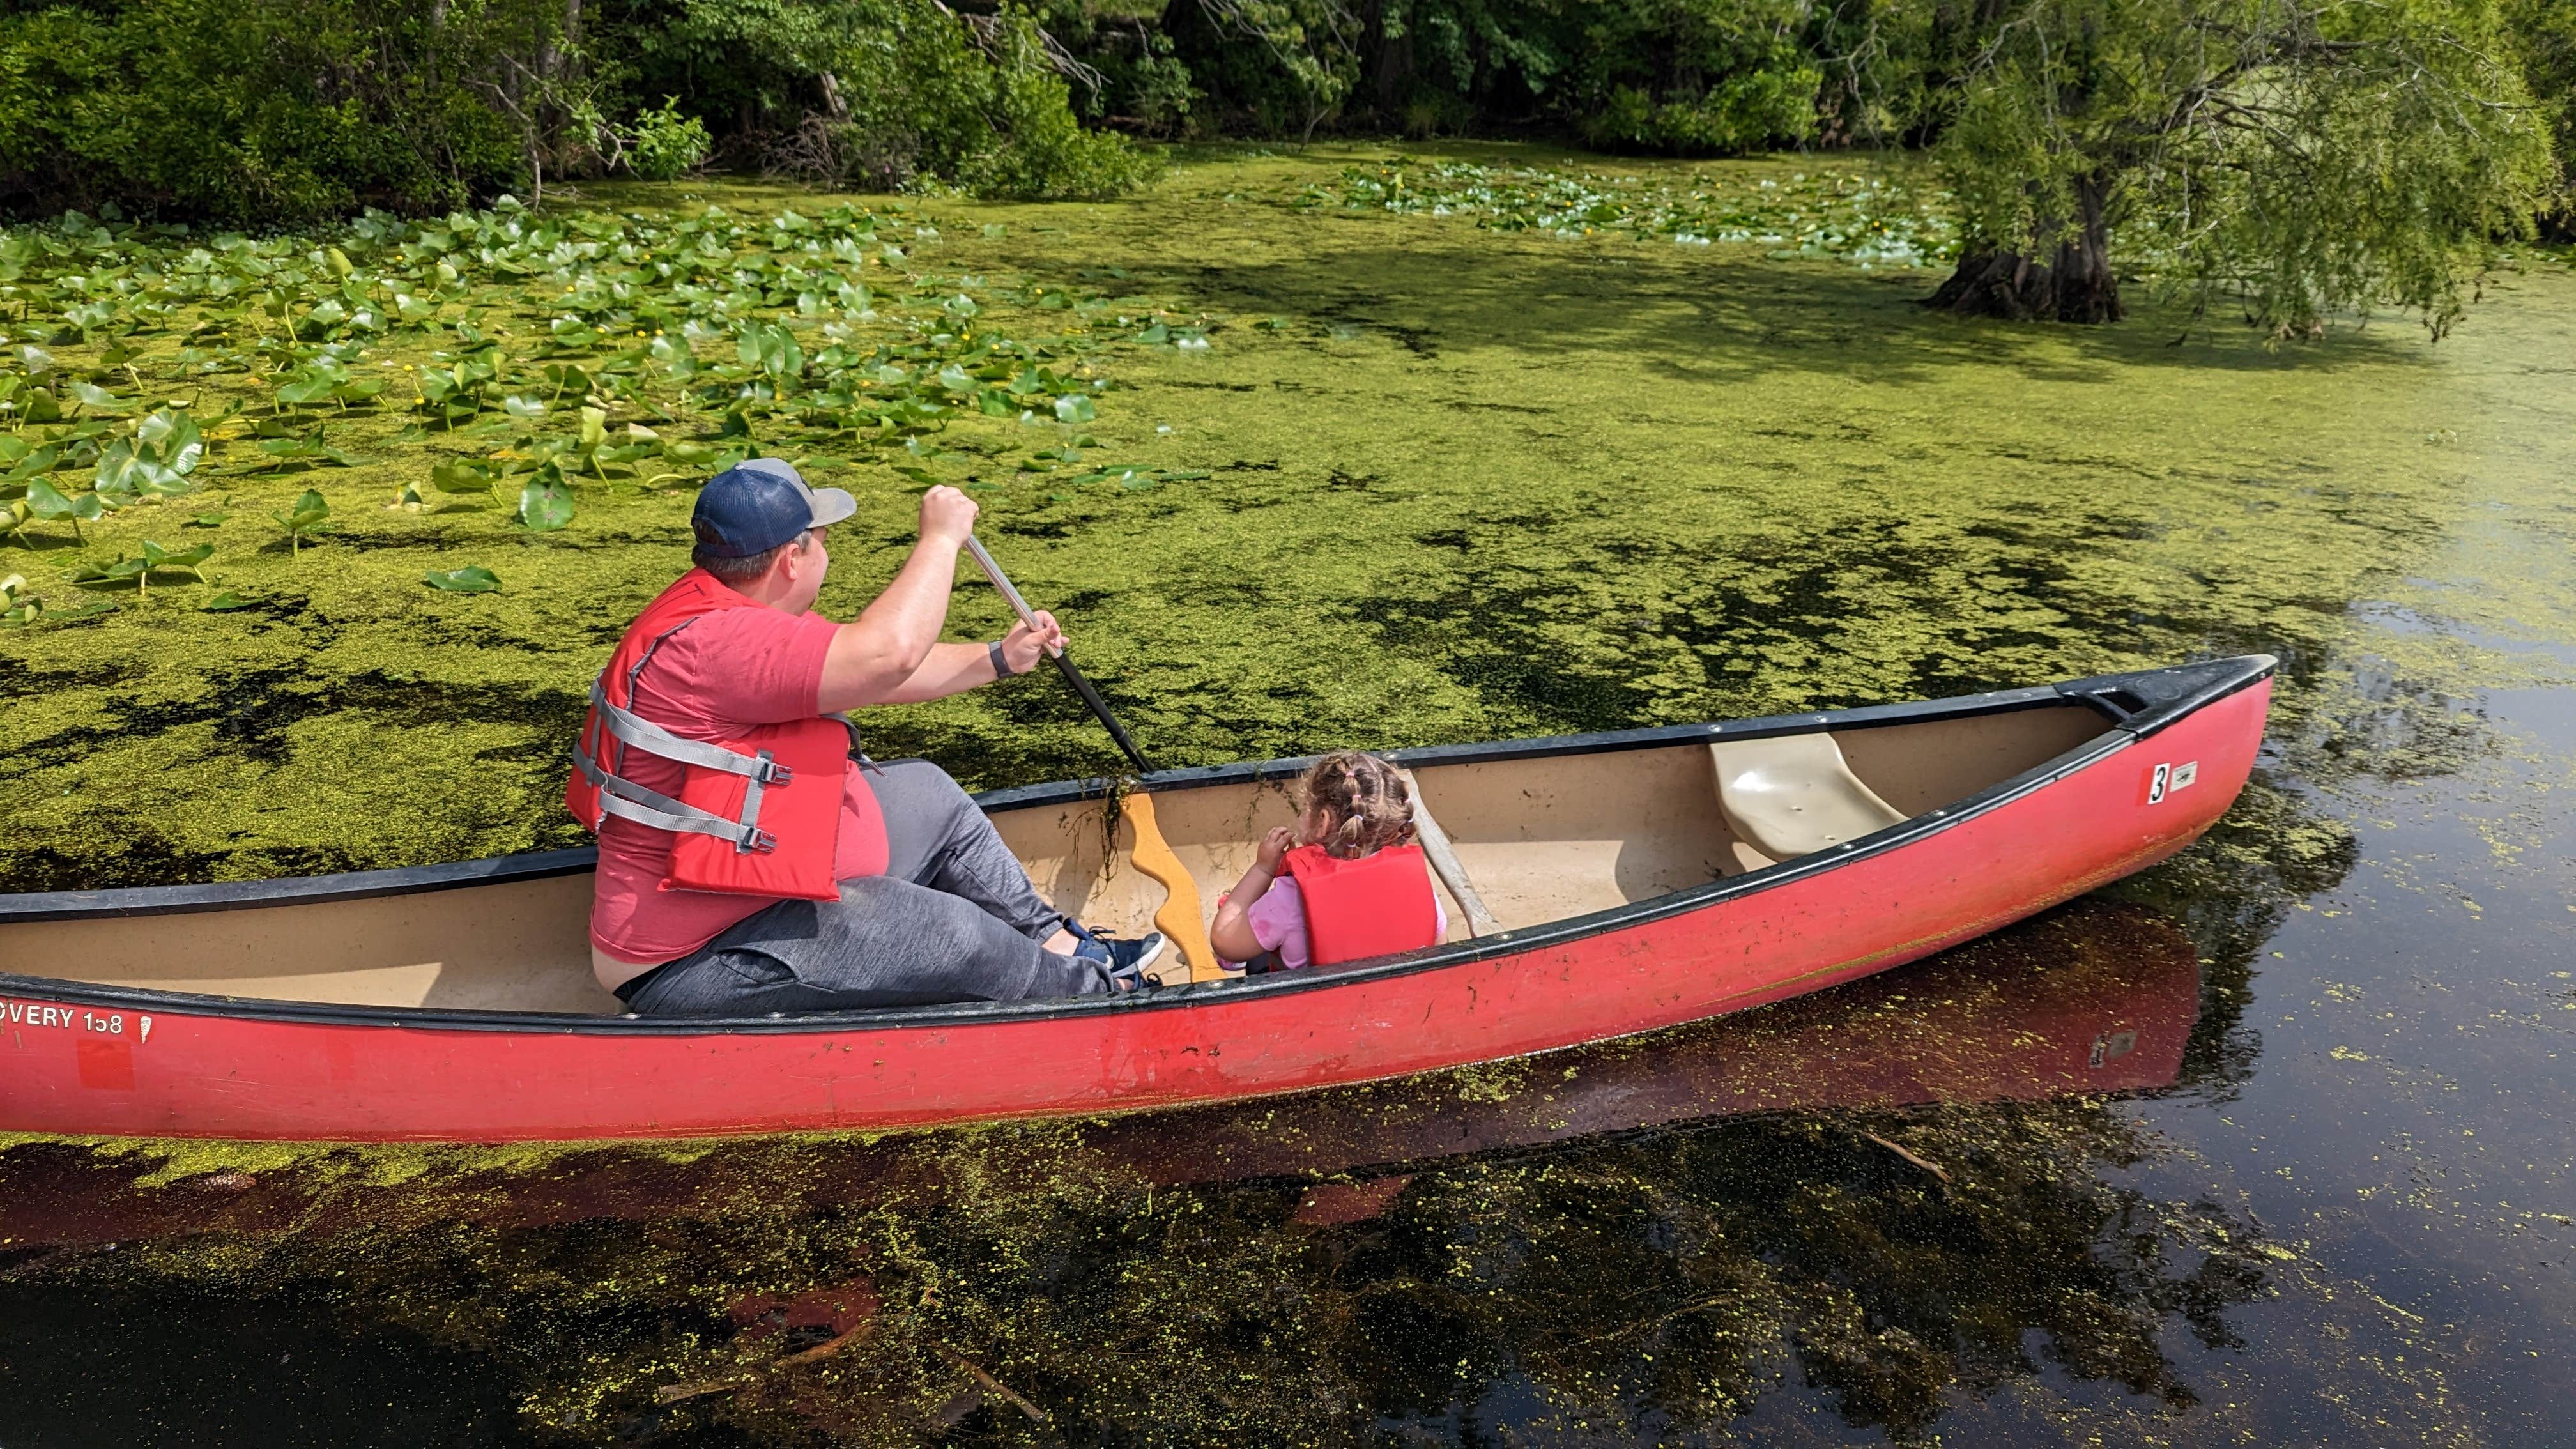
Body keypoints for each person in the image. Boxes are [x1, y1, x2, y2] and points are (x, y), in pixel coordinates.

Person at [571, 457, 1165, 1015]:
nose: (828, 554)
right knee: (948, 935)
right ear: (792, 560)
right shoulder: (716, 646)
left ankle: (1054, 944)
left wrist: (999, 658)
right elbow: (885, 655)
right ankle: (1097, 997)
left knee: (928, 794)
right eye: (824, 542)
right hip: (702, 958)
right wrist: (940, 539)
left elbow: (868, 672)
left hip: (767, 887)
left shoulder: (725, 606)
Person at [1209, 751, 1446, 972]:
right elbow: (1438, 944)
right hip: (1394, 1006)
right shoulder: (1419, 884)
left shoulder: (1289, 898)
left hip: (1314, 1011)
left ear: (1322, 822)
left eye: (1305, 808)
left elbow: (1225, 942)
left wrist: (1262, 869)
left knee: (1254, 948)